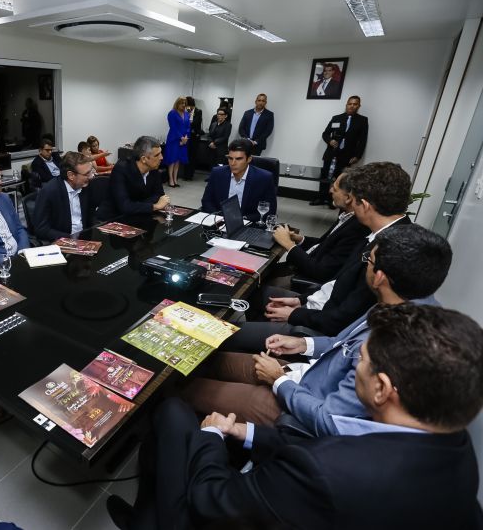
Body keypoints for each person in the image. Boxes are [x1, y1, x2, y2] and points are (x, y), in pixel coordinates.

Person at [108, 303, 483, 530]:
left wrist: (213, 436)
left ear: (383, 388)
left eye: (362, 362)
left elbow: (211, 500)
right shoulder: (458, 452)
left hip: (213, 513)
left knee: (173, 411)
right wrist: (247, 432)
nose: (356, 367)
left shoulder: (323, 470)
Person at [183, 223, 452, 434]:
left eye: (368, 261)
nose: (365, 266)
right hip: (303, 374)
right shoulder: (401, 299)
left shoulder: (393, 347)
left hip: (296, 408)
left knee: (186, 390)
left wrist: (279, 380)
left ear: (380, 276)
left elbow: (329, 421)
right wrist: (303, 345)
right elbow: (342, 343)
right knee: (209, 360)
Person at [222, 162, 411, 350]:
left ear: (365, 205)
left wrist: (295, 314)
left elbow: (341, 318)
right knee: (253, 295)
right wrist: (301, 300)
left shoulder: (386, 251)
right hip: (316, 305)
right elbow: (338, 284)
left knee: (224, 335)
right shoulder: (383, 233)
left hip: (319, 330)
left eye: (354, 199)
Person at [271, 171, 370, 284]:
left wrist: (289, 244)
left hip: (303, 277)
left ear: (348, 198)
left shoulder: (356, 229)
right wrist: (299, 239)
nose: (330, 190)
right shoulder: (346, 215)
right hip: (302, 265)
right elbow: (326, 244)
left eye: (335, 188)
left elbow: (322, 272)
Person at [201, 138, 277, 222]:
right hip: (220, 221)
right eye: (230, 158)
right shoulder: (217, 173)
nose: (233, 163)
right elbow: (206, 201)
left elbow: (270, 210)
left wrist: (241, 220)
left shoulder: (264, 178)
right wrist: (219, 217)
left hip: (248, 224)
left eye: (238, 159)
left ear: (249, 159)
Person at [311, 96, 368, 206]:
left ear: (358, 106)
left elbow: (363, 140)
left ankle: (333, 201)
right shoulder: (336, 118)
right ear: (346, 104)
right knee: (324, 176)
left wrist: (358, 156)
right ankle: (321, 198)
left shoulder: (362, 120)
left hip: (347, 155)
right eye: (350, 103)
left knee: (340, 180)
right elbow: (325, 134)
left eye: (355, 104)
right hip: (331, 153)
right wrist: (330, 141)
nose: (352, 106)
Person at [97, 136, 169, 220]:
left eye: (161, 153)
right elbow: (125, 206)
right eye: (157, 155)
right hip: (113, 220)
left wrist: (136, 205)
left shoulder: (153, 169)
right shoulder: (121, 169)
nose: (161, 157)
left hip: (138, 216)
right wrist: (155, 206)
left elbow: (160, 195)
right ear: (144, 159)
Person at [33, 152, 94, 242]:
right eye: (86, 174)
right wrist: (71, 239)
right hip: (62, 241)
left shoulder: (86, 186)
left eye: (91, 172)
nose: (91, 176)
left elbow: (91, 217)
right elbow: (41, 229)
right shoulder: (49, 191)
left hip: (84, 239)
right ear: (71, 175)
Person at [164, 96, 190, 188]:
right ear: (177, 103)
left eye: (184, 103)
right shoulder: (172, 113)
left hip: (184, 140)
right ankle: (170, 180)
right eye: (181, 103)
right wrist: (181, 137)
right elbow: (173, 127)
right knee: (172, 160)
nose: (183, 105)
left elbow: (188, 127)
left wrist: (186, 136)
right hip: (173, 139)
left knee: (178, 160)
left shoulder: (187, 114)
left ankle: (175, 179)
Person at [181, 96, 203, 181]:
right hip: (186, 136)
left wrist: (190, 117)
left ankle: (190, 175)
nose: (186, 106)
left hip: (194, 137)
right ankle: (185, 175)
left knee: (193, 156)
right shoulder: (184, 112)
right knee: (186, 155)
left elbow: (196, 123)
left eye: (187, 104)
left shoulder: (198, 111)